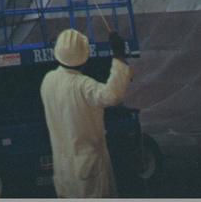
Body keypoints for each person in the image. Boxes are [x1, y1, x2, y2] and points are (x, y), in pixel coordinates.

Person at [40, 27, 132, 198]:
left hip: (63, 168)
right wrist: (119, 57)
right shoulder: (83, 85)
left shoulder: (48, 81)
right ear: (84, 58)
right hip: (87, 169)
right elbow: (113, 96)